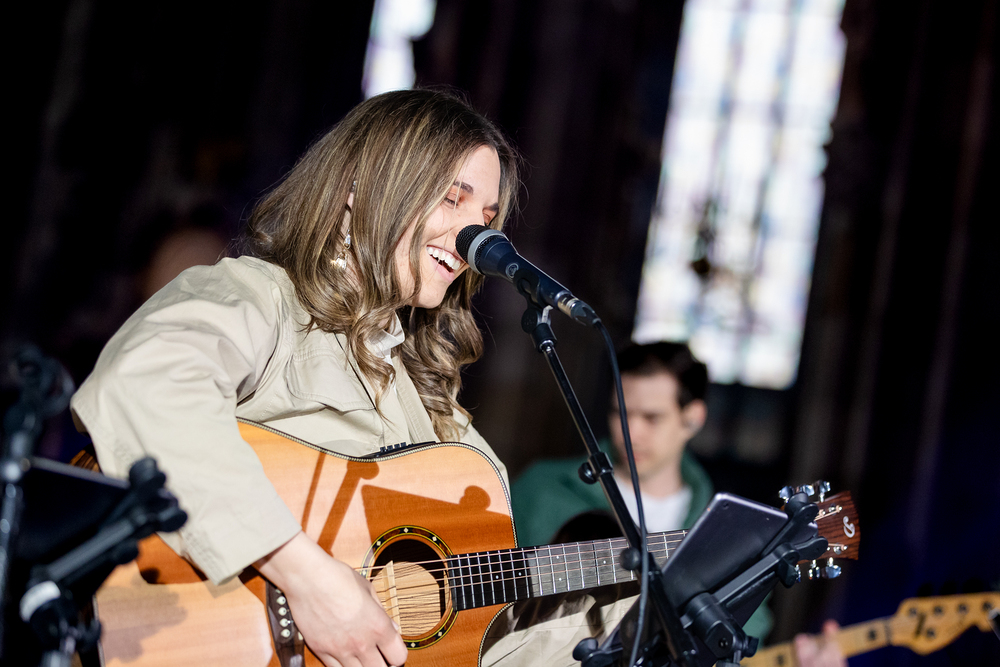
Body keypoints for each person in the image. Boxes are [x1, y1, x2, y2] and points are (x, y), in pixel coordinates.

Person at [69, 89, 637, 667]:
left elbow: (479, 644)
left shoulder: (437, 415)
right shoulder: (262, 299)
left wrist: (637, 621)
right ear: (360, 190)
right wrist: (304, 574)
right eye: (452, 199)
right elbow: (142, 387)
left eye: (486, 219)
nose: (475, 239)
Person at [511, 342, 847, 666]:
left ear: (693, 418)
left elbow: (739, 646)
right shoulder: (541, 490)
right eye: (620, 413)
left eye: (652, 417)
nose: (630, 432)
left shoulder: (730, 529)